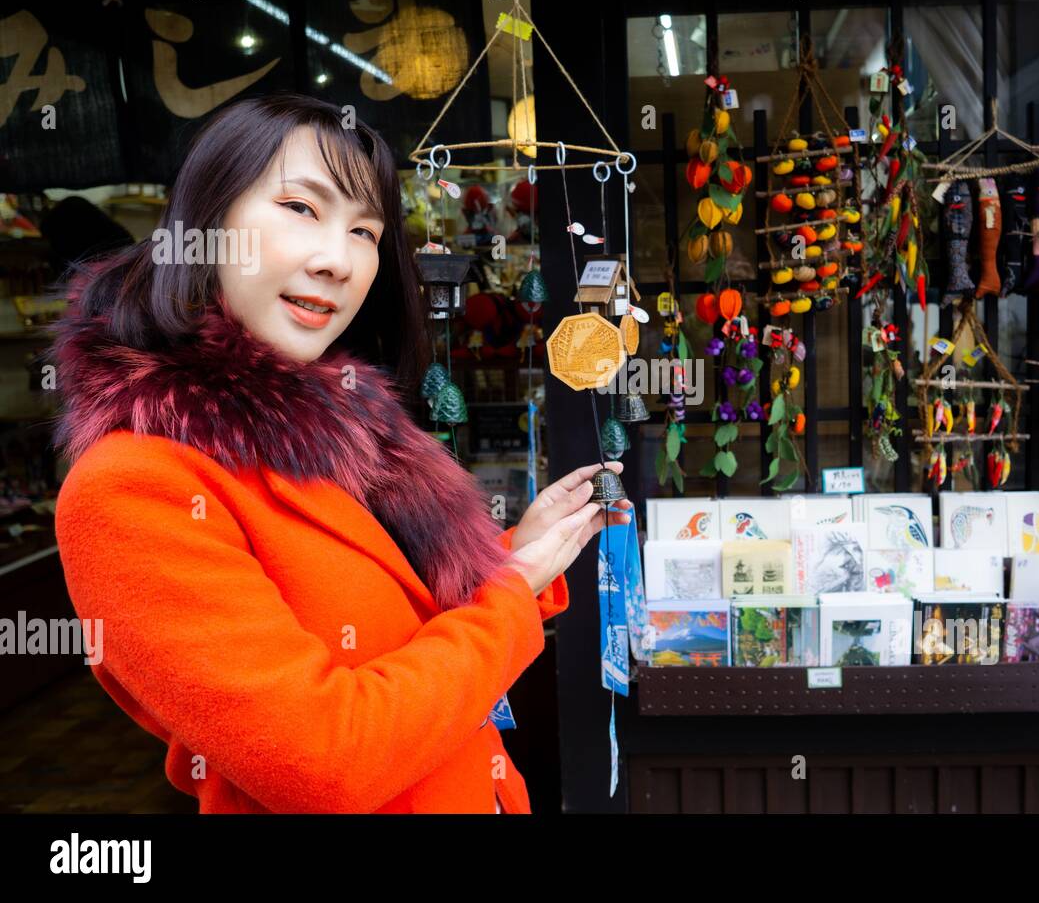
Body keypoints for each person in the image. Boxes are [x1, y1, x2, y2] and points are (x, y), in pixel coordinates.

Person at [46, 92, 631, 813]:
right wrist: (511, 595)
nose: (338, 260)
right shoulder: (134, 487)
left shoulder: (323, 440)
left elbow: (398, 630)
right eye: (301, 208)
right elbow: (326, 761)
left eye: (364, 230)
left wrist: (520, 559)